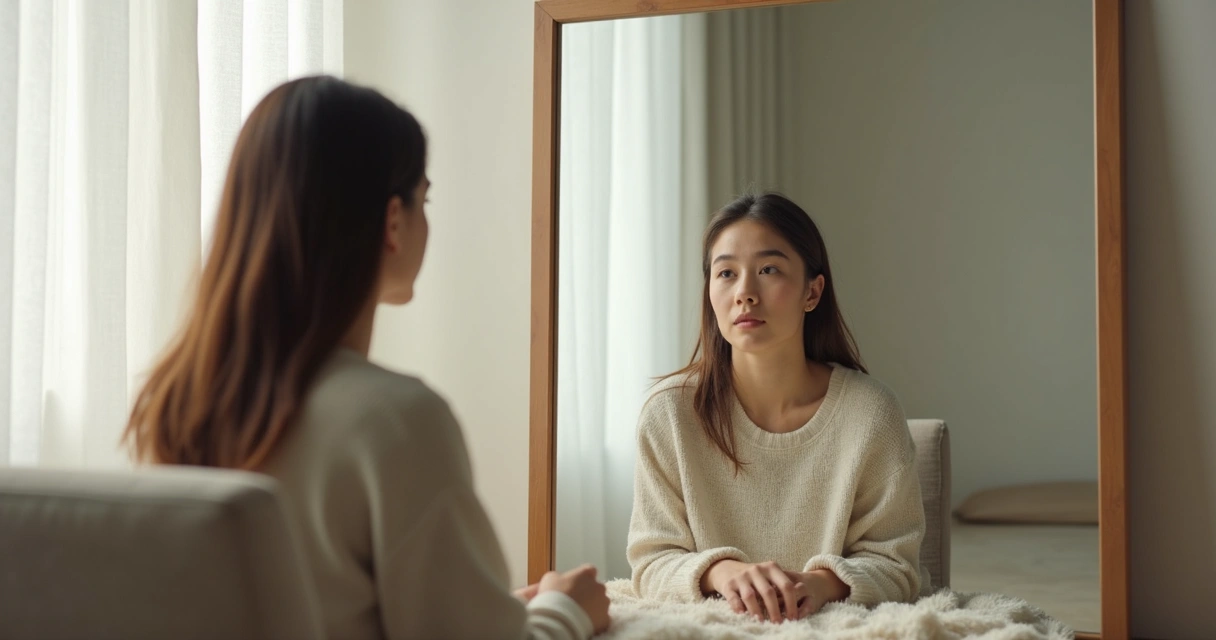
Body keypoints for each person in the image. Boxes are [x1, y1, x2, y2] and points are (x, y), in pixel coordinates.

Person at [122, 75, 609, 640]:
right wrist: (565, 609)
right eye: (423, 199)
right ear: (393, 222)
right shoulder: (395, 420)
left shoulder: (175, 404)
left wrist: (491, 609)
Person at [626, 192, 929, 623]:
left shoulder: (871, 413)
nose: (745, 293)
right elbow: (651, 562)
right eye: (726, 273)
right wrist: (724, 572)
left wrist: (821, 584)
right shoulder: (669, 415)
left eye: (768, 270)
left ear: (813, 291)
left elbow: (898, 567)